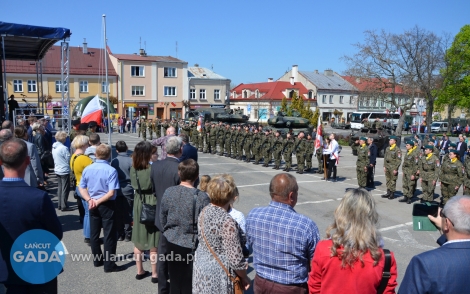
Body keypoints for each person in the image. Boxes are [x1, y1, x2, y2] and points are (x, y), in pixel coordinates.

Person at [0, 138, 63, 293]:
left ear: (1, 162)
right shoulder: (38, 197)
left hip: (5, 269)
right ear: (27, 161)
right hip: (38, 267)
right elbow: (55, 234)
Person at [308, 188, 397, 293]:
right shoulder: (384, 258)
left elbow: (315, 288)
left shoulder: (323, 249)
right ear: (371, 216)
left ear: (341, 214)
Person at [246, 173, 320, 293]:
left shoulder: (253, 215)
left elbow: (250, 243)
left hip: (261, 283)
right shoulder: (306, 225)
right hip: (291, 288)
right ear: (291, 196)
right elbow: (315, 264)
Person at [399, 195, 470, 294]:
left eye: (442, 214)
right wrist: (444, 229)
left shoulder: (425, 263)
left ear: (447, 223)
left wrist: (445, 227)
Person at [193, 175, 251, 293]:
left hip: (201, 266)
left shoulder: (205, 211)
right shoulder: (227, 222)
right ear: (230, 197)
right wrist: (244, 276)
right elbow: (235, 259)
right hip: (219, 274)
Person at [160, 159, 210, 293]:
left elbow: (162, 217)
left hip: (171, 240)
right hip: (192, 244)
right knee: (190, 281)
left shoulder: (169, 192)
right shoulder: (202, 197)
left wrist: (169, 231)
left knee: (174, 279)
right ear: (197, 176)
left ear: (179, 174)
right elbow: (205, 224)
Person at [78, 144, 124, 273]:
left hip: (92, 202)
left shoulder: (88, 168)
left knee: (94, 233)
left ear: (96, 154)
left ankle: (97, 260)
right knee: (109, 235)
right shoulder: (110, 170)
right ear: (109, 155)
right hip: (106, 204)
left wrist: (89, 200)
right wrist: (97, 201)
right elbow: (111, 193)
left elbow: (81, 187)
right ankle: (109, 265)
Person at [150, 136, 182, 294]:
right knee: (177, 258)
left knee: (162, 255)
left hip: (161, 216)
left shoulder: (155, 165)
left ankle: (162, 289)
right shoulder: (181, 168)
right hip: (177, 219)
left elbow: (153, 189)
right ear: (180, 150)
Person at [130, 141, 160, 283]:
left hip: (139, 202)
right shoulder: (152, 169)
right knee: (153, 239)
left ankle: (139, 270)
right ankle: (155, 274)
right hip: (152, 201)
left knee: (139, 237)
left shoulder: (133, 168)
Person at [70, 135, 94, 244]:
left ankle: (87, 234)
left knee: (86, 213)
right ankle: (89, 236)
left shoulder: (74, 156)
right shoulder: (84, 158)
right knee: (89, 213)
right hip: (86, 188)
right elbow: (94, 171)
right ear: (84, 144)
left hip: (78, 185)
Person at [111, 141, 134, 242]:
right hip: (128, 189)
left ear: (116, 150)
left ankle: (120, 233)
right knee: (128, 212)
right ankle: (128, 233)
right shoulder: (131, 161)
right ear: (127, 148)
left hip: (117, 189)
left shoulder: (114, 161)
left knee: (118, 212)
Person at [52, 131, 72, 211]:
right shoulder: (64, 148)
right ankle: (64, 205)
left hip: (57, 168)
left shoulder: (54, 146)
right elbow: (68, 159)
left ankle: (60, 204)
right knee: (65, 188)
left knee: (60, 188)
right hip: (64, 169)